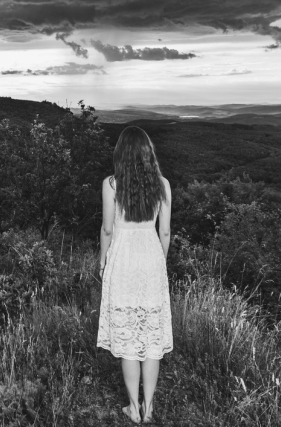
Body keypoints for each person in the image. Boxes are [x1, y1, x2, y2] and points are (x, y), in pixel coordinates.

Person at [97, 126, 173, 424]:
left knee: (129, 336)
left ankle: (133, 407)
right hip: (151, 258)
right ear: (148, 152)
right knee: (151, 337)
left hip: (123, 260)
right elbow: (165, 232)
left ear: (121, 153)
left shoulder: (111, 185)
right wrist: (160, 263)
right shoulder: (163, 185)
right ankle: (149, 406)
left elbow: (107, 229)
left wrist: (102, 260)